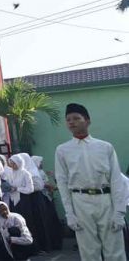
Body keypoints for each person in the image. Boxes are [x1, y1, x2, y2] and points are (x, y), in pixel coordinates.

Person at [54, 103, 128, 261]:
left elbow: (116, 181)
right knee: (89, 251)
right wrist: (70, 214)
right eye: (68, 119)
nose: (71, 122)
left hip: (105, 200)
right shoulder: (62, 150)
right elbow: (62, 183)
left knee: (115, 249)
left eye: (76, 118)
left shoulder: (105, 147)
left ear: (87, 121)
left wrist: (119, 212)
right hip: (80, 201)